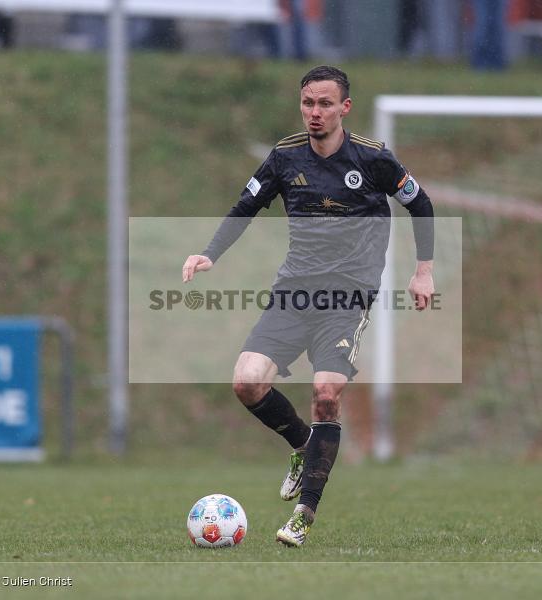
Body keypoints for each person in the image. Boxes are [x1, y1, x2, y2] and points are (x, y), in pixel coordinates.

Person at [182, 66, 435, 547]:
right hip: (294, 292)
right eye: (307, 104)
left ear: (345, 108)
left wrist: (423, 271)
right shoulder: (284, 157)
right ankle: (302, 444)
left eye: (324, 104)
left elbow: (421, 204)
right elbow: (245, 207)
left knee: (325, 393)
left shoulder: (374, 159)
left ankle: (304, 514)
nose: (314, 113)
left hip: (349, 296)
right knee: (247, 382)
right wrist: (208, 253)